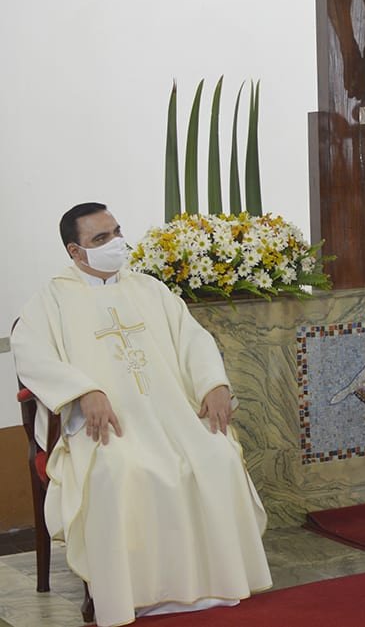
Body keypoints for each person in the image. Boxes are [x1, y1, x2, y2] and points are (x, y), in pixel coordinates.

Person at [11, 203, 272, 627]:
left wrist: (213, 383)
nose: (116, 243)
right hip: (104, 425)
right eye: (101, 239)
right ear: (76, 252)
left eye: (117, 232)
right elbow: (31, 356)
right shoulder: (51, 300)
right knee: (117, 470)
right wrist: (83, 392)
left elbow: (194, 340)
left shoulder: (150, 290)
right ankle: (135, 592)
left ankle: (215, 583)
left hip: (172, 414)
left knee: (216, 455)